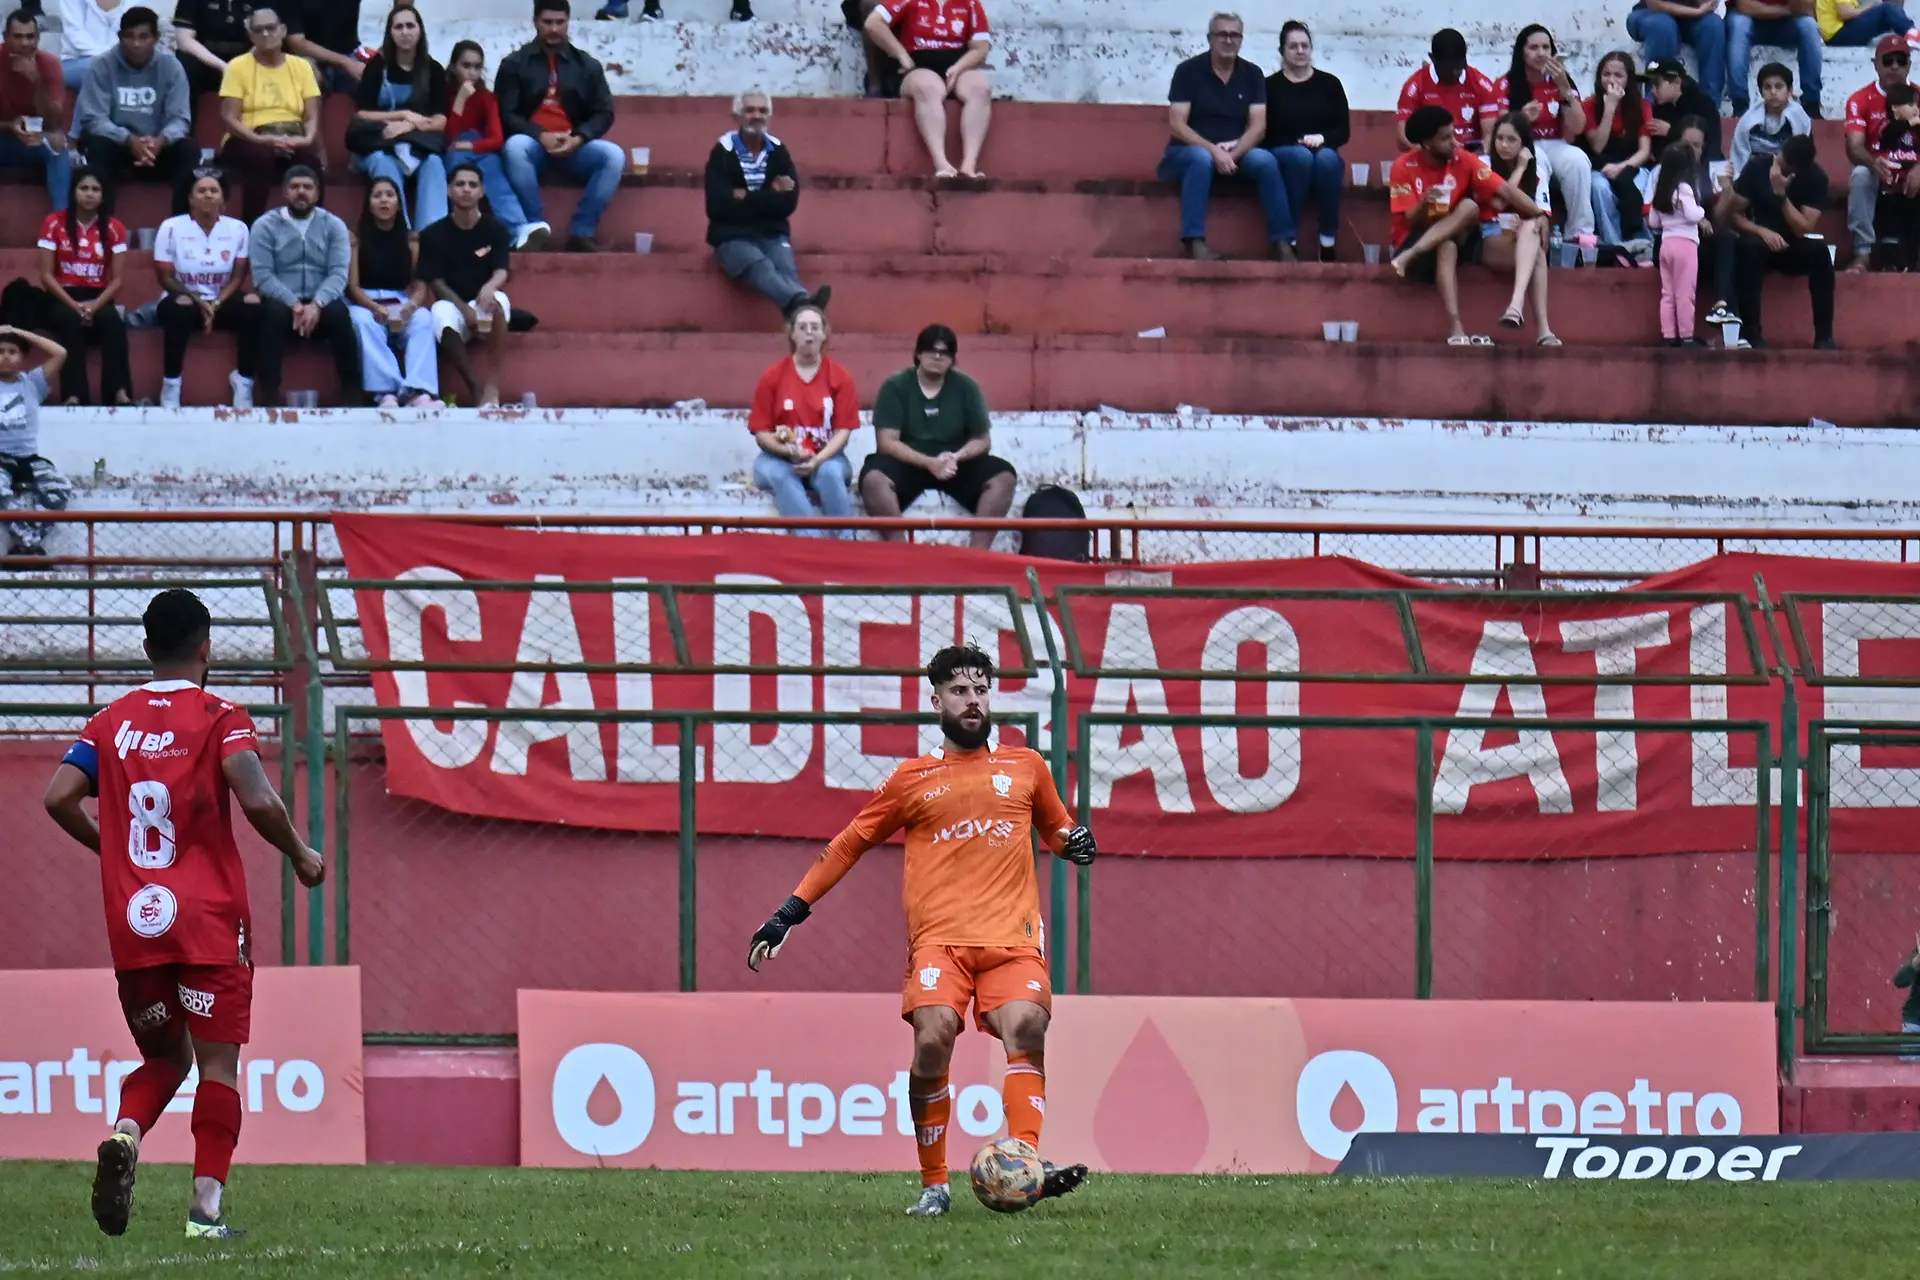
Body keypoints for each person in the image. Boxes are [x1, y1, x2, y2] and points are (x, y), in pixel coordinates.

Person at [746, 643, 1096, 1218]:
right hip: (940, 942)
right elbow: (849, 843)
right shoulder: (911, 779)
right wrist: (790, 912)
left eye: (981, 689)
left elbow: (1059, 830)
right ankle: (935, 1184)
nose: (973, 700)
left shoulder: (1027, 766)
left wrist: (1074, 844)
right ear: (936, 700)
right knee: (933, 1038)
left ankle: (1026, 1162)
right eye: (960, 691)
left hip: (1012, 939)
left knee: (1027, 1027)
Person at [42, 588, 325, 1240]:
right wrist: (302, 853)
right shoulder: (221, 713)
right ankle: (204, 1214)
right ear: (207, 649)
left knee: (165, 1059)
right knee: (217, 1066)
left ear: (146, 650)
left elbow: (58, 797)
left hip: (137, 919)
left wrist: (114, 849)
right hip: (207, 920)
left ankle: (126, 1133)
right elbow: (254, 797)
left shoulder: (109, 720)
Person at [1389, 104, 1548, 346]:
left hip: (1459, 234)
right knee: (1447, 246)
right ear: (1428, 144)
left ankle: (1541, 329)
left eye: (1454, 134)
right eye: (1446, 138)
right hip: (1416, 237)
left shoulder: (1463, 158)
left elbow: (1503, 189)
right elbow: (1410, 219)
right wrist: (1424, 202)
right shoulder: (1403, 166)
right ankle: (1456, 328)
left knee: (1470, 209)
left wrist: (1540, 214)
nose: (1455, 142)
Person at [860, 325, 1014, 549]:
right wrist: (928, 463)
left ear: (953, 359)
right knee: (873, 479)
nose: (938, 356)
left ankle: (978, 554)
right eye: (932, 350)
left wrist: (957, 457)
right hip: (909, 461)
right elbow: (886, 442)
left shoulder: (966, 387)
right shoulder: (895, 386)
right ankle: (899, 549)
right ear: (918, 354)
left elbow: (982, 440)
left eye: (945, 352)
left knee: (1004, 477)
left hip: (953, 463)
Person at [1161, 12, 1292, 261]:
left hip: (1236, 152)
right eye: (1222, 34)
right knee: (1201, 159)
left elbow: (1258, 127)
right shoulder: (1187, 71)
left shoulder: (1252, 74)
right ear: (1210, 38)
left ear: (1241, 40)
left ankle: (1283, 241)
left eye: (1234, 35)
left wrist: (1232, 154)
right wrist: (1214, 151)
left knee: (1266, 162)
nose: (1228, 40)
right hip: (1188, 151)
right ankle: (1194, 241)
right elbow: (1177, 124)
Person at [495, 0, 622, 253]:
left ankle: (582, 232)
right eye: (547, 22)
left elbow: (604, 112)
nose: (554, 28)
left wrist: (579, 137)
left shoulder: (587, 65)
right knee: (515, 147)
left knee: (614, 156)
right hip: (532, 145)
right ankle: (534, 227)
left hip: (573, 145)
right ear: (535, 23)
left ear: (568, 22)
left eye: (559, 22)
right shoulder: (514, 64)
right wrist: (540, 135)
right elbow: (506, 113)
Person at [707, 89, 829, 316]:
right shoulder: (723, 152)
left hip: (772, 234)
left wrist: (745, 196)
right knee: (759, 264)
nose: (757, 115)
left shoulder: (779, 152)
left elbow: (788, 202)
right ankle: (806, 306)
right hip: (732, 237)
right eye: (750, 110)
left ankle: (800, 312)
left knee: (785, 268)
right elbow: (717, 205)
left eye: (762, 111)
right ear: (737, 116)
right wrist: (767, 198)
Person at [248, 164, 356, 404]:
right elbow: (263, 276)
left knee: (340, 313)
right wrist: (295, 304)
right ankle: (269, 393)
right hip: (283, 301)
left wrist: (316, 305)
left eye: (307, 187)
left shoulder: (333, 225)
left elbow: (339, 273)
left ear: (317, 193)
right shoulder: (265, 225)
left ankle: (352, 392)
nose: (301, 192)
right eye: (295, 187)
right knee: (271, 314)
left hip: (321, 300)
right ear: (285, 192)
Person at [74, 6, 196, 218]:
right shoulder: (101, 65)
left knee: (189, 151)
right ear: (120, 37)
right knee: (97, 146)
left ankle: (180, 226)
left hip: (156, 147)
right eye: (129, 37)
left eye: (143, 37)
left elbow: (180, 119)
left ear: (156, 38)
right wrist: (128, 139)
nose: (136, 44)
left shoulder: (171, 66)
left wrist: (161, 140)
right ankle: (103, 227)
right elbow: (94, 119)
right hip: (117, 144)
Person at [154, 169, 258, 408]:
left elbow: (238, 276)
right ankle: (171, 383)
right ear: (190, 198)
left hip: (222, 299)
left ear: (223, 198)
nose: (208, 195)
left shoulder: (239, 228)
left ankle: (243, 381)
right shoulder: (171, 227)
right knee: (180, 307)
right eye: (201, 191)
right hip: (183, 299)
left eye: (214, 191)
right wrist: (198, 300)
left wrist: (216, 304)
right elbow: (165, 278)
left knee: (253, 305)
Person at [1720, 133, 1835, 347]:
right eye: (1778, 160)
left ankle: (1824, 336)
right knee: (1747, 249)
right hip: (1759, 240)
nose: (1777, 166)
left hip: (1792, 243)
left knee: (1820, 253)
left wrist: (1781, 195)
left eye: (1784, 167)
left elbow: (1803, 228)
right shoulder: (1758, 167)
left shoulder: (1816, 178)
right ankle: (1751, 332)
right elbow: (1734, 215)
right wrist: (1761, 231)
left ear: (1797, 170)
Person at [748, 303, 856, 530]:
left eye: (815, 327)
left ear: (824, 334)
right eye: (803, 327)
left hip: (827, 456)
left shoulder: (840, 376)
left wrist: (818, 459)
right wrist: (787, 451)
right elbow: (761, 432)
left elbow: (843, 432)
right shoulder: (773, 376)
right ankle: (810, 545)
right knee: (782, 474)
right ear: (792, 334)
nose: (809, 332)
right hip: (777, 458)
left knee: (830, 473)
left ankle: (846, 545)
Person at [862, 0, 992, 179]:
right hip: (917, 65)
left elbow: (980, 48)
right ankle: (941, 163)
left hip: (955, 66)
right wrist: (901, 55)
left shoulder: (970, 3)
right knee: (928, 88)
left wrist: (959, 68)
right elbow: (873, 23)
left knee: (980, 88)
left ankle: (969, 165)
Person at [216, 6, 322, 222]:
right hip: (247, 138)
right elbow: (229, 118)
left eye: (271, 28)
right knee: (261, 158)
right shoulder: (237, 67)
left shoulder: (302, 66)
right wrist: (263, 140)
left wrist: (305, 140)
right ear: (251, 36)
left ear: (283, 30)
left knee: (309, 162)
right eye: (258, 30)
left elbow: (311, 115)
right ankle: (251, 229)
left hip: (292, 136)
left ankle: (313, 229)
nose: (265, 34)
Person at [347, 4, 448, 232]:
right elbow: (362, 114)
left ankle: (431, 235)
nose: (405, 32)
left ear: (420, 30)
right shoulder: (376, 67)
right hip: (379, 143)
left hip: (417, 145)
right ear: (390, 33)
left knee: (434, 163)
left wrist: (407, 125)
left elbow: (440, 121)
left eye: (410, 25)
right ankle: (398, 232)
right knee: (384, 163)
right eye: (398, 27)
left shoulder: (433, 70)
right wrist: (403, 114)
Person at [36, 166, 130, 405]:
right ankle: (74, 395)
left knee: (112, 321)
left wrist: (95, 306)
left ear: (103, 194)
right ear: (74, 191)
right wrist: (76, 306)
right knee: (69, 320)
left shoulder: (115, 228)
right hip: (62, 295)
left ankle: (119, 392)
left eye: (95, 189)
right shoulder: (53, 223)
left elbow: (117, 280)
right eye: (84, 188)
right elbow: (46, 276)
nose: (89, 194)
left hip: (98, 296)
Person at [418, 162, 509, 406]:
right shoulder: (432, 234)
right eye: (460, 184)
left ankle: (492, 385)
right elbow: (435, 281)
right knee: (437, 313)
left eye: (472, 185)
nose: (466, 189)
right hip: (452, 303)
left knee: (500, 301)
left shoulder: (496, 228)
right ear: (449, 190)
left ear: (481, 191)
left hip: (487, 299)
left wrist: (490, 288)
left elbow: (502, 270)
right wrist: (463, 308)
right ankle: (475, 387)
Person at [444, 38, 548, 249]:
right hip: (453, 150)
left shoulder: (487, 97)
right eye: (466, 66)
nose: (472, 72)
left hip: (479, 147)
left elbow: (496, 139)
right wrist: (461, 100)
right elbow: (450, 138)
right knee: (458, 169)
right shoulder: (444, 94)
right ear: (454, 67)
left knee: (494, 171)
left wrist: (472, 146)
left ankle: (517, 229)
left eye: (477, 67)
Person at [1496, 24, 1593, 243]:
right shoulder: (1507, 83)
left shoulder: (1561, 80)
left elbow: (1578, 127)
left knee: (1579, 161)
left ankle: (1581, 233)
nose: (1541, 53)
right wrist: (1521, 119)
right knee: (1536, 161)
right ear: (1522, 52)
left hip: (1556, 143)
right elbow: (1498, 129)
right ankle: (1539, 226)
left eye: (1546, 47)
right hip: (1525, 144)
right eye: (1533, 48)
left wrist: (1564, 89)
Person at [1263, 21, 1349, 261]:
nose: (1300, 51)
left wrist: (1321, 138)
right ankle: (1288, 239)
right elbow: (1263, 131)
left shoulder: (1330, 84)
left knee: (1328, 161)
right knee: (1300, 158)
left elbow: (1343, 130)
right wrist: (1298, 142)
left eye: (1305, 45)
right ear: (1282, 52)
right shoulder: (1270, 86)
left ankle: (1328, 240)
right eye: (1293, 46)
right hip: (1284, 149)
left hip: (1322, 148)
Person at [347, 176, 436, 407]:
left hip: (400, 300)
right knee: (361, 321)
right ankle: (386, 391)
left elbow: (419, 284)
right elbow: (353, 286)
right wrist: (374, 307)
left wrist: (412, 306)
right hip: (365, 302)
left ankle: (417, 390)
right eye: (377, 196)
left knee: (424, 319)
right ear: (368, 203)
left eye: (390, 195)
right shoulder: (355, 238)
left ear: (399, 202)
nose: (384, 201)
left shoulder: (411, 240)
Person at [1482, 113, 1559, 345]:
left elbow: (1543, 217)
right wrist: (1520, 167)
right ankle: (1543, 329)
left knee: (1533, 228)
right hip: (1490, 236)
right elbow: (1498, 202)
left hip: (1524, 239)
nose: (1504, 145)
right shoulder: (1484, 165)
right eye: (1500, 138)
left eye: (1512, 140)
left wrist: (1535, 221)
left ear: (1524, 143)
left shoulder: (1538, 173)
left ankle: (1516, 307)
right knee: (1534, 241)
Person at [1845, 33, 1912, 271]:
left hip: (1913, 169)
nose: (1894, 66)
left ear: (1909, 65)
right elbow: (1854, 146)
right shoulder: (1860, 99)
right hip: (1878, 170)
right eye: (1888, 60)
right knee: (1861, 175)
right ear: (1875, 64)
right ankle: (1862, 254)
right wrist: (1874, 163)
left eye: (1901, 61)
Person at [0, 324, 67, 557]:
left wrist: (18, 332)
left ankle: (28, 542)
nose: (6, 355)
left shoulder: (33, 383)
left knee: (60, 489)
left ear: (22, 357)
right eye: (0, 351)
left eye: (12, 350)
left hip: (29, 459)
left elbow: (60, 353)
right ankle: (30, 544)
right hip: (0, 460)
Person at [0, 9, 74, 211]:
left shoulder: (49, 64)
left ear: (38, 38)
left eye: (30, 37)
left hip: (35, 139)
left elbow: (54, 123)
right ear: (5, 37)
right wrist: (11, 126)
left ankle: (61, 223)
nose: (25, 43)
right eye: (18, 36)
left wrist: (36, 82)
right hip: (3, 138)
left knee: (58, 147)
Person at [1582, 51, 1653, 249]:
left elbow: (1644, 151)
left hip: (1632, 164)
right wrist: (1610, 108)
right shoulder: (1589, 105)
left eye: (1618, 75)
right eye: (1606, 74)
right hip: (1601, 164)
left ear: (1628, 78)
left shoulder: (1642, 106)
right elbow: (1598, 146)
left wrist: (1621, 167)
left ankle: (1642, 241)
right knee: (1599, 188)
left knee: (1638, 187)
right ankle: (1615, 244)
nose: (1611, 80)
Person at [1395, 27, 1499, 153]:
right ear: (1432, 58)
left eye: (1459, 68)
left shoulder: (1481, 84)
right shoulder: (1415, 86)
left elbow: (1490, 133)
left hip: (1471, 157)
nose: (1455, 73)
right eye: (1448, 69)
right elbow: (1403, 137)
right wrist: (1436, 153)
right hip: (1431, 156)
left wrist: (1476, 156)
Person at [1649, 139, 1709, 343]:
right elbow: (1693, 215)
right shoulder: (1684, 188)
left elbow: (1653, 221)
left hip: (1666, 244)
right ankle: (1686, 336)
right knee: (1685, 293)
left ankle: (1669, 335)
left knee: (1668, 293)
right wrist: (1702, 211)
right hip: (1686, 245)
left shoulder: (1661, 191)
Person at [1726, 0, 1824, 117]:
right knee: (1739, 24)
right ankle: (1740, 104)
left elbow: (1806, 7)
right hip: (1750, 20)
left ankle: (1811, 104)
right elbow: (1744, 6)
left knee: (1809, 26)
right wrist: (1787, 10)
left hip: (1785, 25)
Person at [1627, 0, 1728, 113]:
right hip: (1649, 13)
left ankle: (1709, 106)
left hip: (1692, 17)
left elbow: (1709, 4)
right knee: (1663, 27)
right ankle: (1654, 105)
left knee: (1713, 26)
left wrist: (1698, 10)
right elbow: (1655, 4)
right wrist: (1696, 12)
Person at [1730, 60, 1813, 173]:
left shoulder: (1800, 119)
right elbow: (1740, 157)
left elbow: (1804, 157)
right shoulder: (1748, 121)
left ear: (1789, 90)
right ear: (1761, 92)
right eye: (1767, 87)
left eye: (1779, 87)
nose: (1773, 92)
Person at [1871, 82, 1920, 267]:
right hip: (1891, 189)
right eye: (1911, 105)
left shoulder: (1917, 131)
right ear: (1895, 108)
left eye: (1917, 105)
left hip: (1913, 190)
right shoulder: (1886, 126)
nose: (1916, 109)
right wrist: (1908, 123)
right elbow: (1888, 136)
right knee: (1891, 229)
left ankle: (1911, 263)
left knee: (1913, 227)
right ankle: (1890, 264)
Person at [168, 0, 255, 102]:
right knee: (184, 64)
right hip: (205, 59)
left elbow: (270, 34)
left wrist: (242, 64)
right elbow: (184, 40)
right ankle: (184, 116)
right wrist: (224, 67)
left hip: (249, 57)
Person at [1642, 58, 1725, 162]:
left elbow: (1709, 141)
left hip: (1705, 166)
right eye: (1650, 85)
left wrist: (1671, 131)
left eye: (1657, 84)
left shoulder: (1702, 103)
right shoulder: (1659, 107)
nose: (1653, 90)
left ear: (1677, 82)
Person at [283, 0, 363, 95]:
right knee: (308, 72)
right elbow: (296, 43)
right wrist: (346, 63)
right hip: (310, 57)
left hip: (350, 53)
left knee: (373, 80)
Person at [58, 0, 119, 90]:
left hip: (119, 59)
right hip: (76, 61)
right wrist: (110, 58)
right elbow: (74, 33)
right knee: (99, 69)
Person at [1818, 0, 1913, 51]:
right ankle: (1912, 33)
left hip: (1838, 34)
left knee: (1888, 17)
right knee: (1886, 9)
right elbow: (1844, 13)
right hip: (1838, 35)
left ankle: (1908, 38)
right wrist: (1869, 8)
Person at [1895, 933, 1920, 1060]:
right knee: (1911, 1071)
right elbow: (1899, 981)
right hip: (1916, 1022)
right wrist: (1916, 963)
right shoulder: (1917, 955)